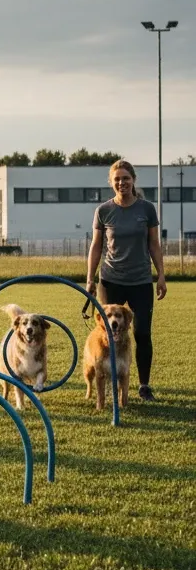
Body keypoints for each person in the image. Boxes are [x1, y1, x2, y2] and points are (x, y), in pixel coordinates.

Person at [86, 158, 166, 401]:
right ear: (111, 183)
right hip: (111, 280)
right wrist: (90, 278)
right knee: (107, 334)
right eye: (117, 179)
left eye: (126, 178)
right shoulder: (103, 211)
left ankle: (143, 386)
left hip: (141, 281)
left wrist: (161, 275)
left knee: (142, 334)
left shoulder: (147, 209)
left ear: (133, 181)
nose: (122, 182)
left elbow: (154, 244)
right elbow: (96, 246)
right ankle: (105, 378)